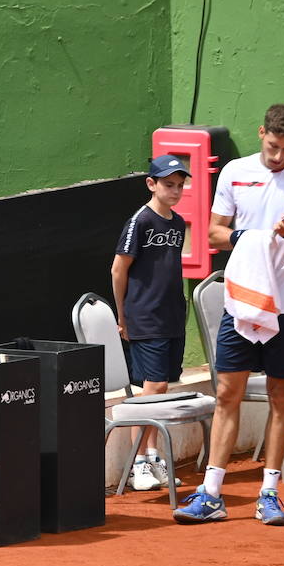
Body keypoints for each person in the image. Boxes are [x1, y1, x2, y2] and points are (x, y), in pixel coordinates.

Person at [174, 103, 284, 527]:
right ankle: (210, 494)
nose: (279, 157)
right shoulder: (234, 172)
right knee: (227, 394)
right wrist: (249, 236)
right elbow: (213, 232)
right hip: (241, 299)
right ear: (262, 133)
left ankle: (270, 493)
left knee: (281, 396)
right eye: (274, 146)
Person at [111, 154, 191, 492]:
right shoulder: (139, 222)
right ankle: (138, 464)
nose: (175, 191)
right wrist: (122, 315)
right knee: (152, 389)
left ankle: (153, 455)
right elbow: (118, 270)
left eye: (179, 185)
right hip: (145, 317)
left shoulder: (177, 223)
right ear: (151, 184)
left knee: (161, 390)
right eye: (168, 185)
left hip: (172, 316)